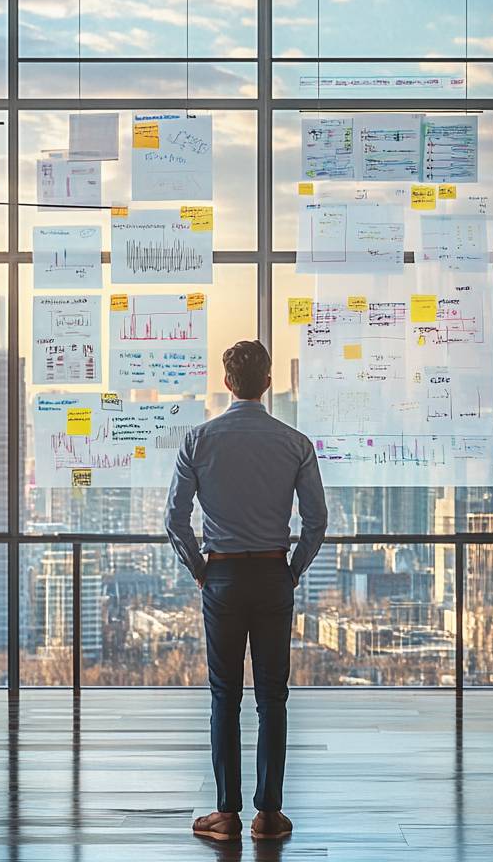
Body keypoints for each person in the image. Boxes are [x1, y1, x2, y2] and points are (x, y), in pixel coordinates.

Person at [165, 339, 328, 843]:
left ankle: (227, 814)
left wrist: (199, 568)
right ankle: (269, 815)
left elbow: (175, 518)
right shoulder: (296, 443)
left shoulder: (198, 440)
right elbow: (316, 521)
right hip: (274, 575)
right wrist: (293, 569)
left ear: (228, 382)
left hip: (223, 577)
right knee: (273, 697)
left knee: (224, 696)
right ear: (269, 380)